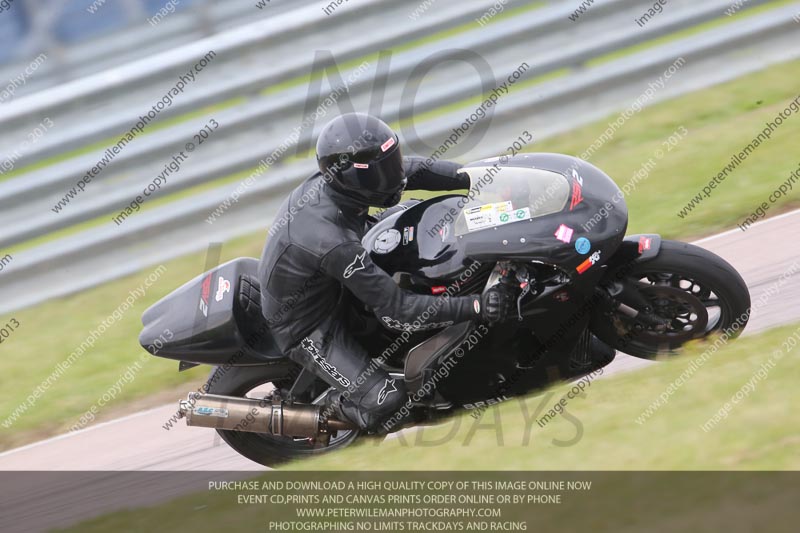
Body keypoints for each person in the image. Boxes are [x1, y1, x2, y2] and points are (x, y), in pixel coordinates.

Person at [257, 113, 515, 432]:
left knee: (416, 218)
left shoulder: (355, 182)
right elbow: (400, 308)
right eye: (380, 173)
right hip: (306, 325)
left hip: (334, 277)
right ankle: (330, 411)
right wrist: (477, 306)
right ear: (350, 179)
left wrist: (487, 179)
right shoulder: (329, 239)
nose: (394, 177)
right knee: (389, 404)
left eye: (391, 163)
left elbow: (419, 170)